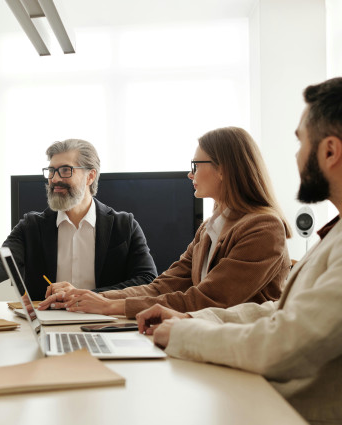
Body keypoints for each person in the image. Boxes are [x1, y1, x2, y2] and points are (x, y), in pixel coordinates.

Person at [135, 77, 342, 425]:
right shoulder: (333, 234)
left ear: (330, 151)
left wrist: (186, 332)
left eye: (300, 143)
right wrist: (191, 320)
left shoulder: (266, 227)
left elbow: (286, 342)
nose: (295, 156)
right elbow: (277, 312)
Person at [40, 127, 292, 318]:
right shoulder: (209, 229)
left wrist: (112, 306)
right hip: (203, 339)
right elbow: (161, 286)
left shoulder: (263, 229)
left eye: (196, 164)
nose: (190, 173)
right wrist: (93, 297)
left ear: (223, 169)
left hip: (240, 353)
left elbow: (209, 299)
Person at [0, 139, 157, 301]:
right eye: (51, 171)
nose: (55, 179)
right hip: (47, 322)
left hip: (105, 321)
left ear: (90, 176)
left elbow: (147, 279)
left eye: (65, 170)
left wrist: (86, 296)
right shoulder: (31, 227)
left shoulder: (124, 226)